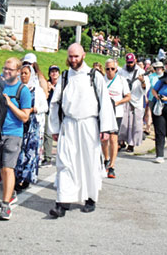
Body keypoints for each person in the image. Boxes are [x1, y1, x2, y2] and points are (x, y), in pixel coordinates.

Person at [48, 43, 117, 218]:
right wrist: (55, 127)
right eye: (70, 56)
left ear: (83, 55)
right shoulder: (64, 77)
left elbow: (105, 103)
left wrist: (106, 128)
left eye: (76, 56)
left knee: (89, 161)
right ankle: (62, 202)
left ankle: (90, 198)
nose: (73, 60)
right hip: (69, 125)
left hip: (89, 125)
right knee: (65, 162)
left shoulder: (94, 76)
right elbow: (54, 104)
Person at [0, 57, 32, 220]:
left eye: (10, 69)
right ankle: (10, 191)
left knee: (8, 168)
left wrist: (10, 103)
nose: (6, 71)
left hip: (14, 133)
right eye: (5, 68)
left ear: (18, 72)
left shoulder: (23, 91)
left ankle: (6, 205)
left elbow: (24, 117)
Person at [15, 64, 48, 190]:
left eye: (26, 73)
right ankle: (17, 177)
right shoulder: (17, 88)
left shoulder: (37, 90)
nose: (23, 75)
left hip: (33, 124)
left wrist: (34, 109)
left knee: (30, 152)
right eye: (21, 73)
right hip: (19, 122)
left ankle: (26, 177)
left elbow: (45, 107)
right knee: (18, 151)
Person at [103, 59, 131, 179]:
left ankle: (112, 166)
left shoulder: (121, 80)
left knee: (114, 139)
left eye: (112, 69)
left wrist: (118, 102)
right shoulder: (101, 79)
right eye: (107, 69)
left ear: (116, 69)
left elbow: (128, 97)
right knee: (104, 139)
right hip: (104, 113)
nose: (110, 71)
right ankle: (106, 159)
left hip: (117, 113)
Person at [118, 53, 150, 152]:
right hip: (124, 99)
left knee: (134, 124)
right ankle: (121, 141)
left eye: (131, 62)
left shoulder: (141, 72)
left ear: (135, 61)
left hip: (136, 101)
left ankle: (131, 144)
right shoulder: (121, 71)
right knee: (123, 123)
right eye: (128, 62)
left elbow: (145, 88)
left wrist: (142, 81)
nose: (130, 64)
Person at [42, 65, 60, 167]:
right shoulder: (46, 84)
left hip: (58, 113)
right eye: (52, 72)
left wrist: (54, 88)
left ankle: (61, 158)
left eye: (56, 71)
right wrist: (47, 89)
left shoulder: (62, 84)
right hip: (48, 111)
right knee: (47, 134)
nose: (54, 73)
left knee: (61, 135)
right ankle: (47, 158)